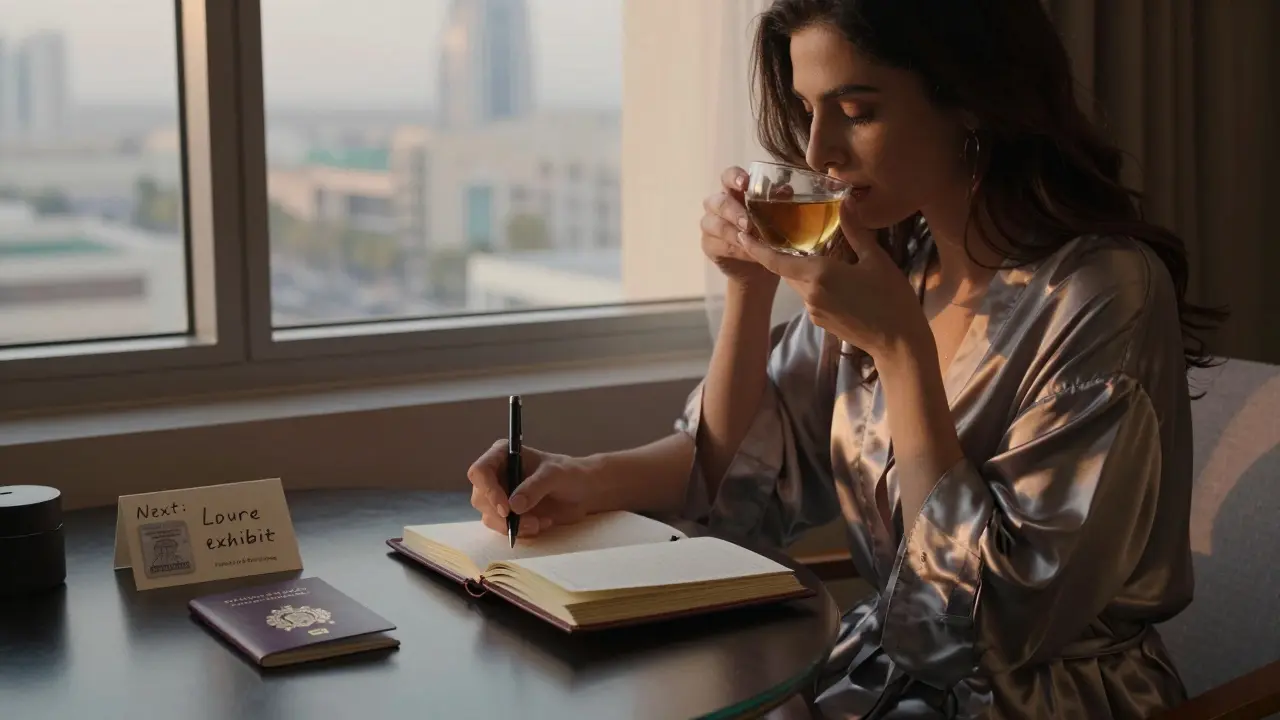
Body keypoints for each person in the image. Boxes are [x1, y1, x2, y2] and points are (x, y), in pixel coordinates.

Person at [466, 0, 1224, 716]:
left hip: (1042, 699)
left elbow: (991, 623)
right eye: (806, 110)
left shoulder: (1102, 293)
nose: (816, 151)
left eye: (857, 112)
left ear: (970, 101)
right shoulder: (900, 266)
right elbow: (741, 476)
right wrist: (583, 473)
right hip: (883, 679)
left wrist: (901, 351)